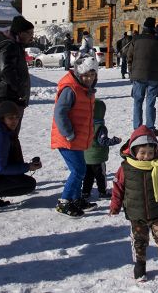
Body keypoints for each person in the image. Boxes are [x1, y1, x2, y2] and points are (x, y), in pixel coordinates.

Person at [109, 126, 158, 281]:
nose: (146, 156)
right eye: (142, 153)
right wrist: (115, 206)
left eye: (150, 153)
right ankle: (140, 266)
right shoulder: (126, 168)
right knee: (140, 242)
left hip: (157, 211)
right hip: (136, 214)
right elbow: (118, 188)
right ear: (133, 151)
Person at [51, 55, 99, 217]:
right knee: (78, 170)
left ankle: (76, 198)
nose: (89, 78)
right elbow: (60, 113)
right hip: (67, 139)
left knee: (80, 169)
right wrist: (69, 133)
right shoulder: (70, 89)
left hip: (76, 138)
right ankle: (64, 202)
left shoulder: (85, 90)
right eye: (86, 75)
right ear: (79, 74)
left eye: (92, 75)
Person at [0, 15, 35, 163]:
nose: (31, 37)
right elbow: (6, 70)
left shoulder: (14, 46)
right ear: (20, 33)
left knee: (9, 137)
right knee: (7, 138)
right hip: (7, 98)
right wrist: (19, 90)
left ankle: (10, 170)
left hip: (9, 97)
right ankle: (7, 171)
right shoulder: (9, 46)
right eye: (29, 33)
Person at [126, 17, 158, 130]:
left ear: (144, 27)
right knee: (150, 102)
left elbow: (129, 57)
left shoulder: (135, 39)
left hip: (138, 75)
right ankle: (150, 127)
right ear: (153, 27)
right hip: (154, 76)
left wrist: (131, 73)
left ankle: (137, 127)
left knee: (137, 102)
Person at [82, 99, 121, 202]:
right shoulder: (100, 127)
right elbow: (102, 141)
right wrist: (115, 140)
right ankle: (102, 192)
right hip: (98, 158)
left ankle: (85, 192)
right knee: (101, 176)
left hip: (86, 157)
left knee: (88, 176)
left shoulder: (85, 124)